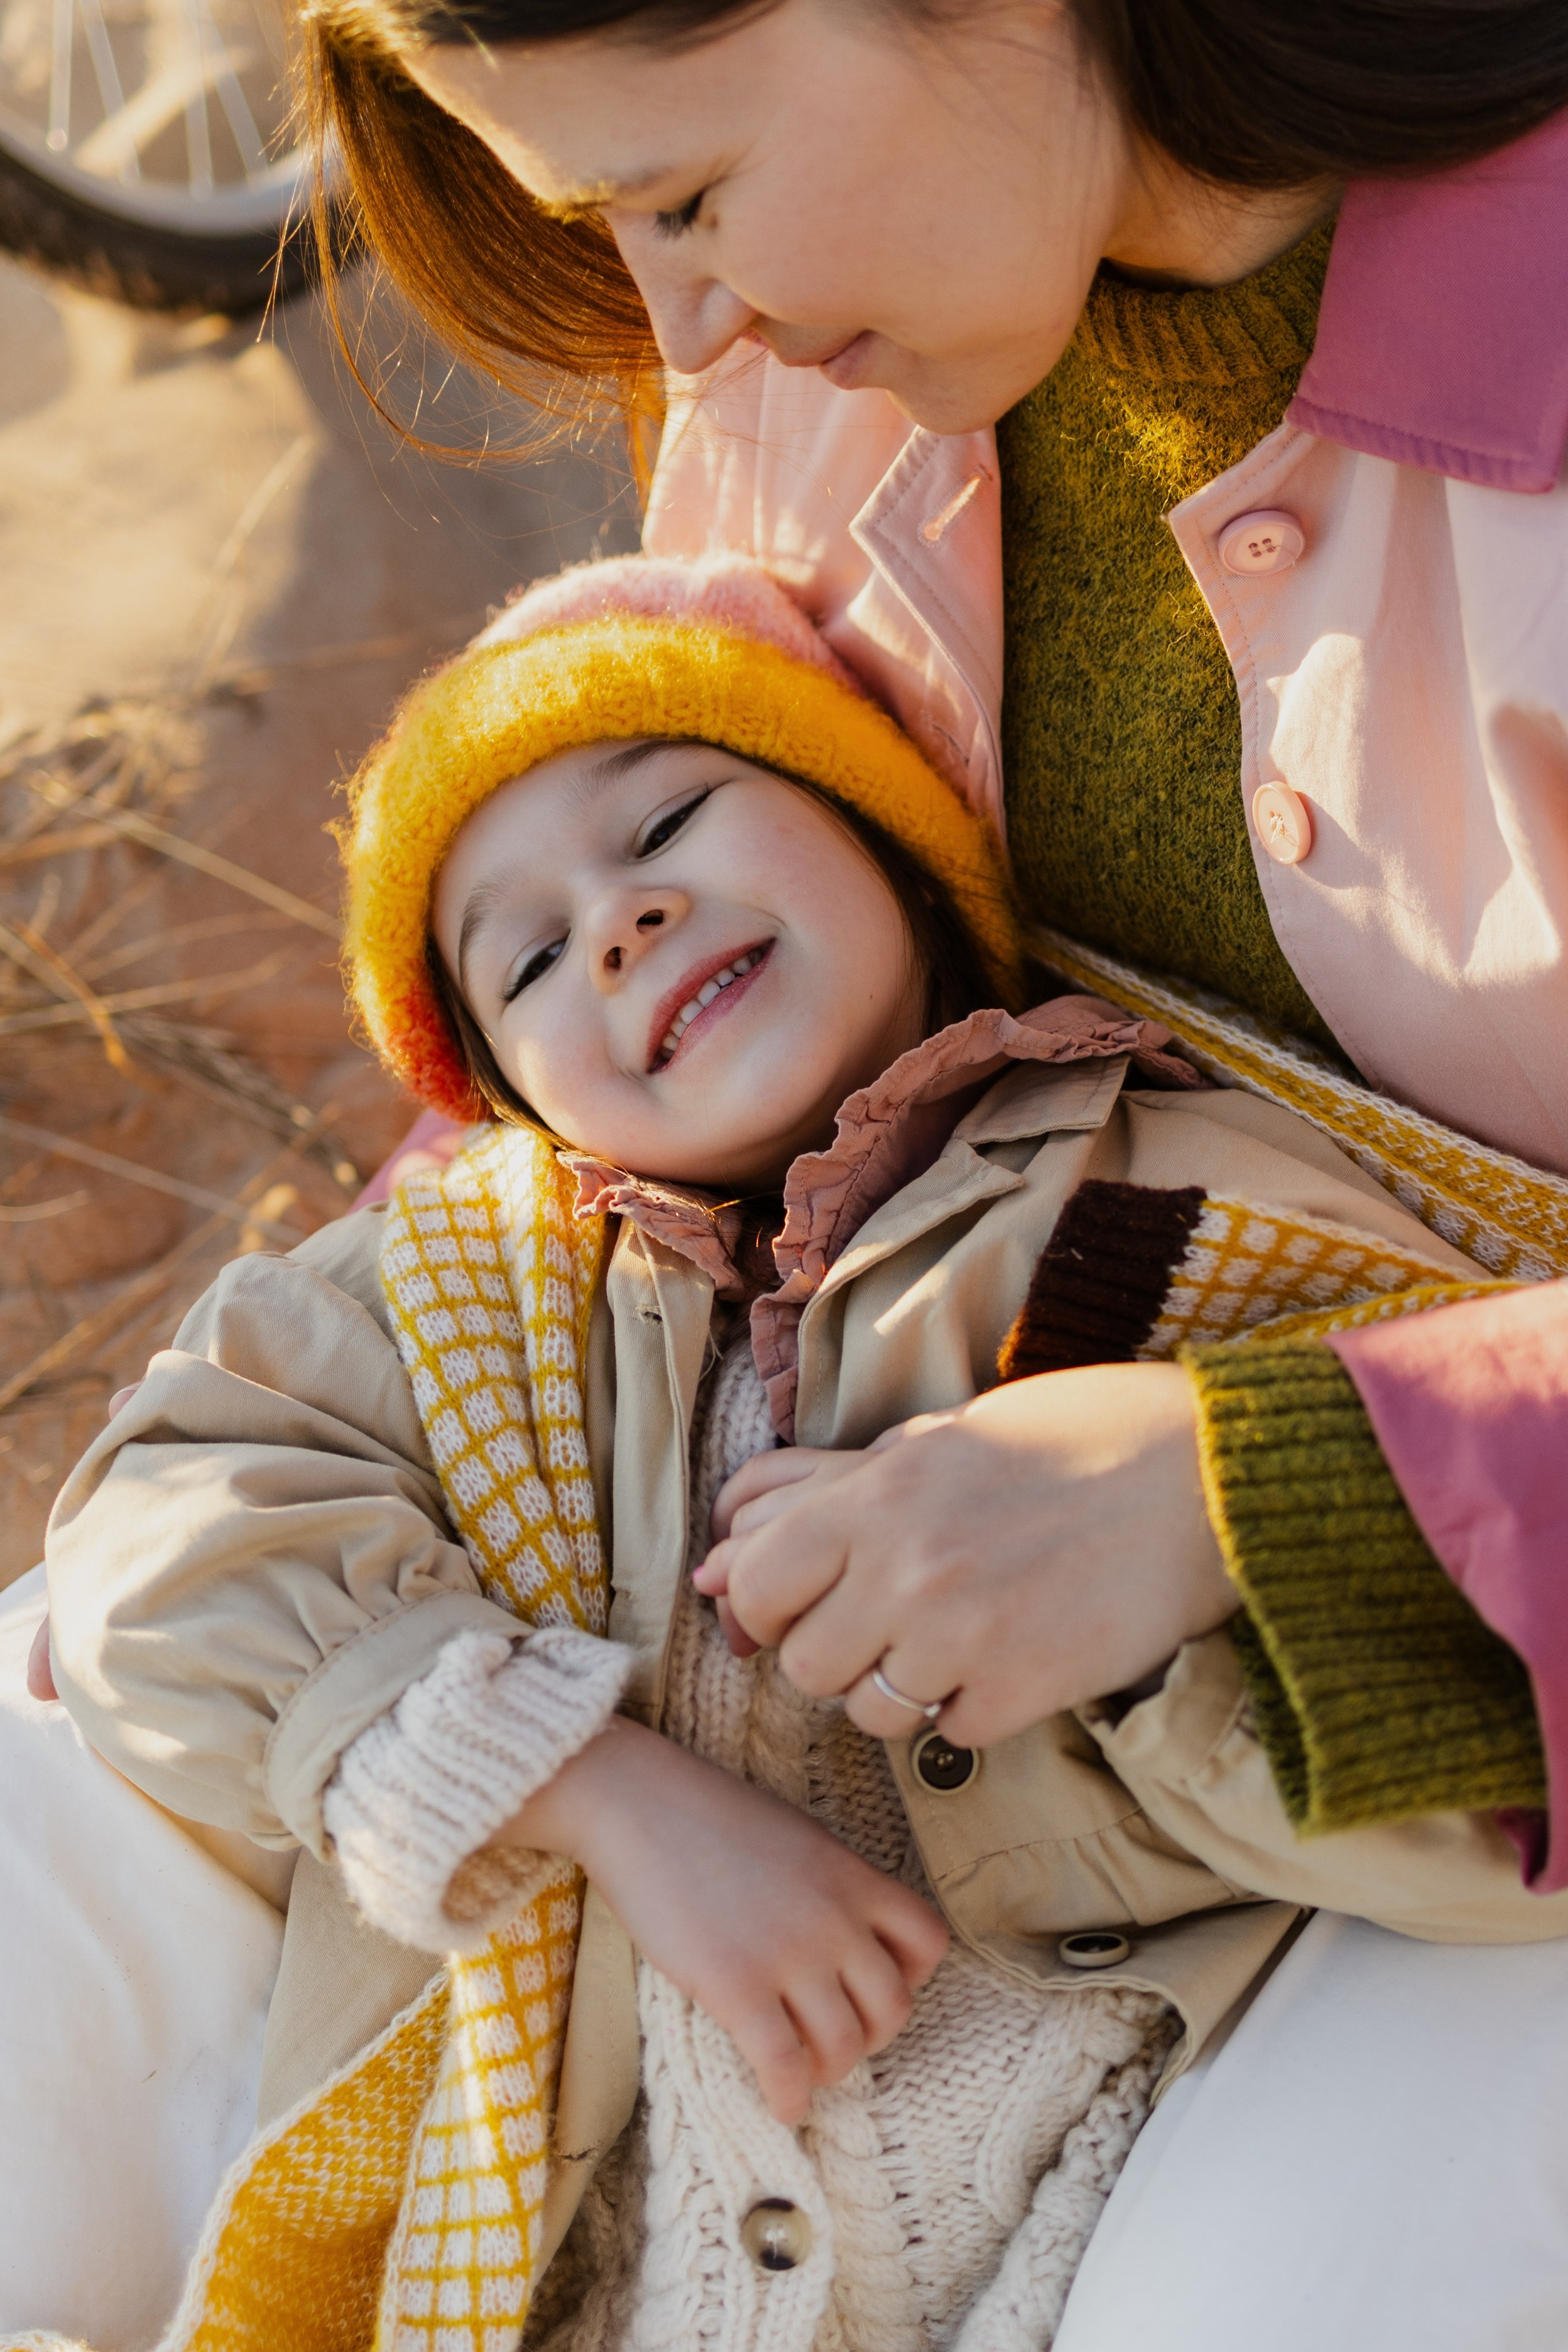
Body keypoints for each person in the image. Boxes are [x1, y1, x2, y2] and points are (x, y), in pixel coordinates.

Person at [30, 553, 1565, 2352]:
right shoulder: (486, 1284)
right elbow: (150, 1529)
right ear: (522, 1109)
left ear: (883, 835)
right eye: (529, 955)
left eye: (671, 813)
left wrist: (1093, 1639)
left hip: (1083, 2205)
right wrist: (594, 1785)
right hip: (606, 2241)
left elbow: (1469, 1742)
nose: (615, 922)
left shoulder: (1167, 1193)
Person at [293, 0, 1568, 1892]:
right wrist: (358, 1354)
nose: (685, 335)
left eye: (694, 196)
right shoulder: (830, 364)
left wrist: (1257, 1491)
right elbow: (639, 902)